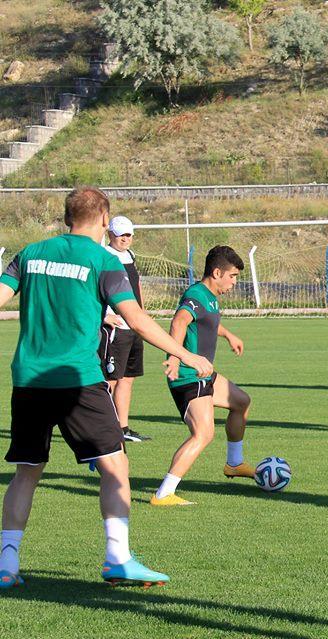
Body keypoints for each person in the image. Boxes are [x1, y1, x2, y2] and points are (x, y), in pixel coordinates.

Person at [0, 187, 213, 589]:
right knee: (115, 465)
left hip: (28, 380)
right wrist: (186, 354)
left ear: (67, 218)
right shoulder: (103, 260)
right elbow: (137, 319)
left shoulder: (29, 254)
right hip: (78, 380)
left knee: (26, 472)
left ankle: (6, 563)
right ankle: (117, 558)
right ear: (103, 219)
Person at [151, 246, 255, 507]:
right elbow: (179, 322)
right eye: (232, 276)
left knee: (241, 402)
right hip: (189, 375)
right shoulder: (196, 294)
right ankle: (163, 494)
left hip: (204, 374)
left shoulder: (209, 297)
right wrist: (175, 358)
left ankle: (234, 463)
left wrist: (228, 334)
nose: (234, 282)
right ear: (217, 273)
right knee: (203, 433)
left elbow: (207, 320)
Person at [99, 215, 150, 443]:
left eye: (129, 235)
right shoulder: (103, 257)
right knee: (110, 380)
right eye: (121, 235)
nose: (126, 239)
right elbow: (94, 288)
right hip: (117, 329)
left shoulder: (130, 255)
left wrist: (142, 313)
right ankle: (102, 427)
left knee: (128, 378)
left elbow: (136, 285)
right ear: (111, 234)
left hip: (134, 327)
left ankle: (123, 428)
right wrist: (105, 316)